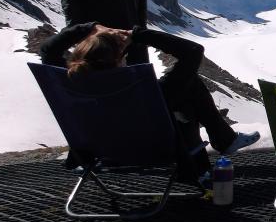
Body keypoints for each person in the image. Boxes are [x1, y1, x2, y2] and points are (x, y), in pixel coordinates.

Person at [40, 22, 260, 181]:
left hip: (99, 154)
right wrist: (137, 35)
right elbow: (193, 51)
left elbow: (48, 49)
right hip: (157, 153)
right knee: (189, 86)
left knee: (188, 86)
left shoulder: (69, 84)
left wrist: (89, 28)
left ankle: (224, 140)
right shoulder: (152, 93)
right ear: (120, 59)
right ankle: (220, 144)